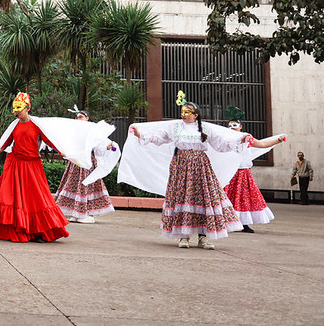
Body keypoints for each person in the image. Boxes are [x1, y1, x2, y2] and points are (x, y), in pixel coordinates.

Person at [120, 91, 251, 250]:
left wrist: (241, 139)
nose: (184, 115)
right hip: (180, 167)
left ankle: (203, 238)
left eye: (187, 112)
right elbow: (159, 137)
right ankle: (184, 236)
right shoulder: (175, 127)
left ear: (195, 115)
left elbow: (221, 143)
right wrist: (140, 133)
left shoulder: (205, 129)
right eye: (182, 112)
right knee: (183, 198)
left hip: (201, 167)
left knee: (203, 198)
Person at [0, 93, 114, 243]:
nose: (16, 112)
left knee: (38, 198)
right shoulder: (14, 126)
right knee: (15, 198)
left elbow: (51, 140)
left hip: (32, 165)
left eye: (19, 108)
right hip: (15, 164)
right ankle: (14, 229)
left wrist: (63, 151)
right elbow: (6, 141)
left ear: (28, 108)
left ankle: (41, 231)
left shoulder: (36, 125)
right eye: (14, 109)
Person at [53, 107, 118, 224]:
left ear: (87, 118)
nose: (79, 119)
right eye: (77, 117)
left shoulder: (92, 131)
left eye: (81, 117)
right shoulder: (74, 131)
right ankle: (75, 213)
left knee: (84, 185)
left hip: (87, 162)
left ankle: (82, 213)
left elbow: (98, 146)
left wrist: (106, 147)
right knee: (73, 185)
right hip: (75, 162)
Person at [223, 114, 286, 232]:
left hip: (243, 174)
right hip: (230, 172)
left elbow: (262, 145)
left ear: (240, 126)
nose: (232, 127)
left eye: (235, 125)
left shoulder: (247, 137)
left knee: (243, 198)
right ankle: (226, 222)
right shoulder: (226, 138)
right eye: (230, 125)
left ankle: (243, 224)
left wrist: (278, 140)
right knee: (227, 197)